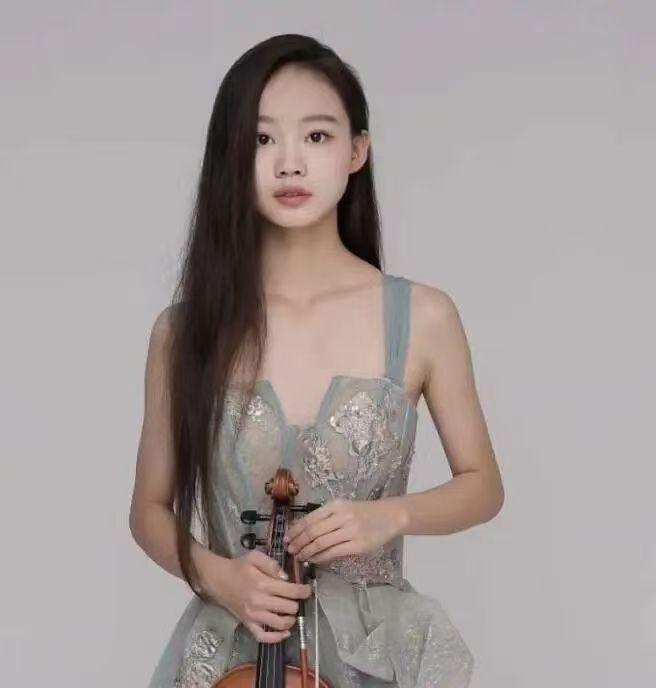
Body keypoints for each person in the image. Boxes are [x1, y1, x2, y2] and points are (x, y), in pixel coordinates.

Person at [129, 33, 504, 688]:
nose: (289, 164)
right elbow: (148, 510)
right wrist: (218, 575)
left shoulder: (424, 317)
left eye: (317, 136)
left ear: (357, 150)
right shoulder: (182, 330)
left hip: (375, 656)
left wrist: (389, 515)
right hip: (235, 657)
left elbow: (483, 485)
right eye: (262, 139)